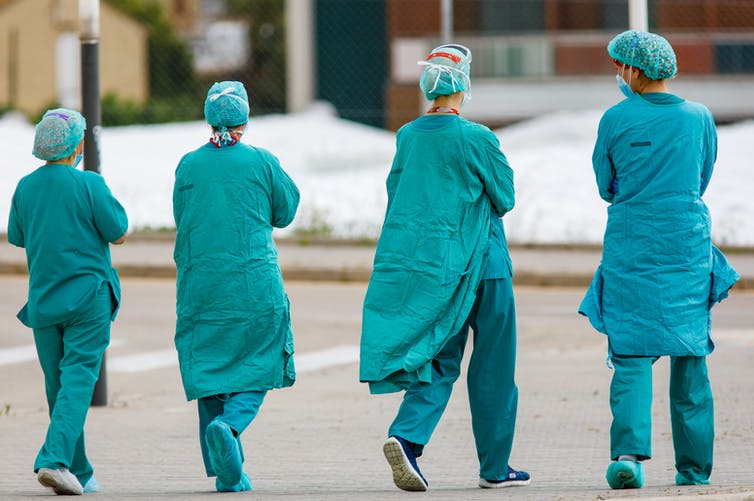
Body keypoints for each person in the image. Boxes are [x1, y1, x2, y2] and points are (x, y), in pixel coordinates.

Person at [359, 44, 529, 492]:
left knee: (438, 359)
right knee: (494, 366)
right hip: (485, 266)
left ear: (427, 85)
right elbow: (505, 197)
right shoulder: (477, 138)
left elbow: (400, 194)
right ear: (464, 83)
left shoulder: (407, 137)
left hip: (435, 271)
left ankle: (406, 438)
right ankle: (495, 467)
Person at [579, 30, 739, 490]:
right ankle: (694, 468)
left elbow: (605, 184)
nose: (618, 73)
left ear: (634, 70)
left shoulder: (615, 118)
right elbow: (702, 176)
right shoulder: (699, 117)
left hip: (631, 245)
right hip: (686, 245)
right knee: (690, 357)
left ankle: (628, 457)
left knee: (630, 353)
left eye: (619, 66)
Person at [172, 81, 299, 492]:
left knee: (210, 368)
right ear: (245, 118)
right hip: (252, 283)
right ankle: (230, 425)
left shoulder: (188, 166)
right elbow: (286, 211)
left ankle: (228, 472)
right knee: (259, 361)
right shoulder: (261, 162)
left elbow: (182, 215)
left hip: (201, 285)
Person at [7, 108, 128, 495]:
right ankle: (54, 459)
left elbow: (17, 236)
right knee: (77, 381)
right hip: (88, 299)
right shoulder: (90, 184)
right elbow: (118, 230)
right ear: (76, 146)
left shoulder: (25, 187)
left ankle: (81, 473)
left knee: (58, 387)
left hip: (44, 302)